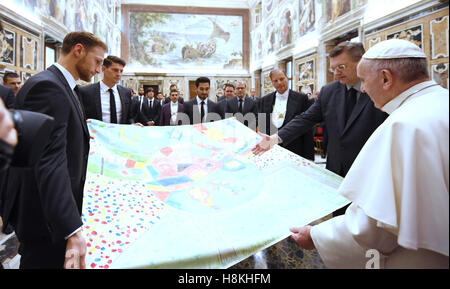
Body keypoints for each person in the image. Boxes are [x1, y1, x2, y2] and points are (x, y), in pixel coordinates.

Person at [290, 39, 449, 269]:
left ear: (386, 78)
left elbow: (374, 230)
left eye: (364, 80)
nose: (362, 89)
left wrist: (316, 236)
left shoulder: (403, 125)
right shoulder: (440, 102)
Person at [3, 31, 107, 269]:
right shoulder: (49, 88)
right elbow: (49, 161)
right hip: (44, 215)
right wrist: (70, 228)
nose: (98, 69)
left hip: (46, 211)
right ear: (78, 50)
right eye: (98, 61)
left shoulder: (60, 86)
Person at [253, 42, 388, 212]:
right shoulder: (329, 91)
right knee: (339, 218)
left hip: (371, 172)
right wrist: (275, 138)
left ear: (361, 62)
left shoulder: (380, 88)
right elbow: (306, 118)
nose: (336, 73)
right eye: (333, 68)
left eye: (342, 67)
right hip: (337, 172)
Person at [258, 69, 315, 161]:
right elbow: (262, 126)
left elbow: (307, 127)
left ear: (287, 78)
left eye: (282, 79)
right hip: (271, 148)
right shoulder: (264, 100)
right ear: (272, 83)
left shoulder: (301, 98)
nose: (279, 83)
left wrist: (308, 156)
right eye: (275, 81)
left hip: (295, 148)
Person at [78, 55, 137, 124]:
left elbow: (129, 117)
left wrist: (133, 125)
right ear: (103, 69)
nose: (119, 74)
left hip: (120, 134)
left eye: (121, 71)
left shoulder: (126, 92)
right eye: (115, 70)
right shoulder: (86, 91)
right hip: (96, 134)